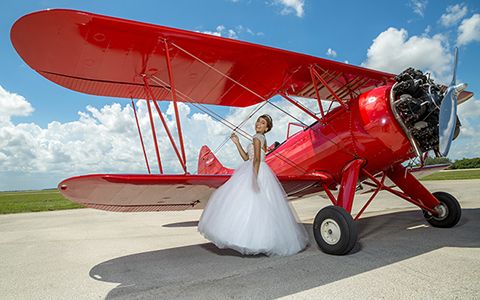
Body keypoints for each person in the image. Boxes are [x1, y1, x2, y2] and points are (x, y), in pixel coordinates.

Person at [198, 114, 309, 256]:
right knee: (264, 207)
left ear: (267, 128)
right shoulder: (260, 139)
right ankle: (266, 240)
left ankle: (250, 240)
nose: (258, 124)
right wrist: (237, 143)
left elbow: (256, 160)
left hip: (256, 171)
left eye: (262, 123)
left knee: (249, 205)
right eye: (258, 121)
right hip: (258, 169)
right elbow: (246, 158)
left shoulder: (257, 138)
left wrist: (254, 179)